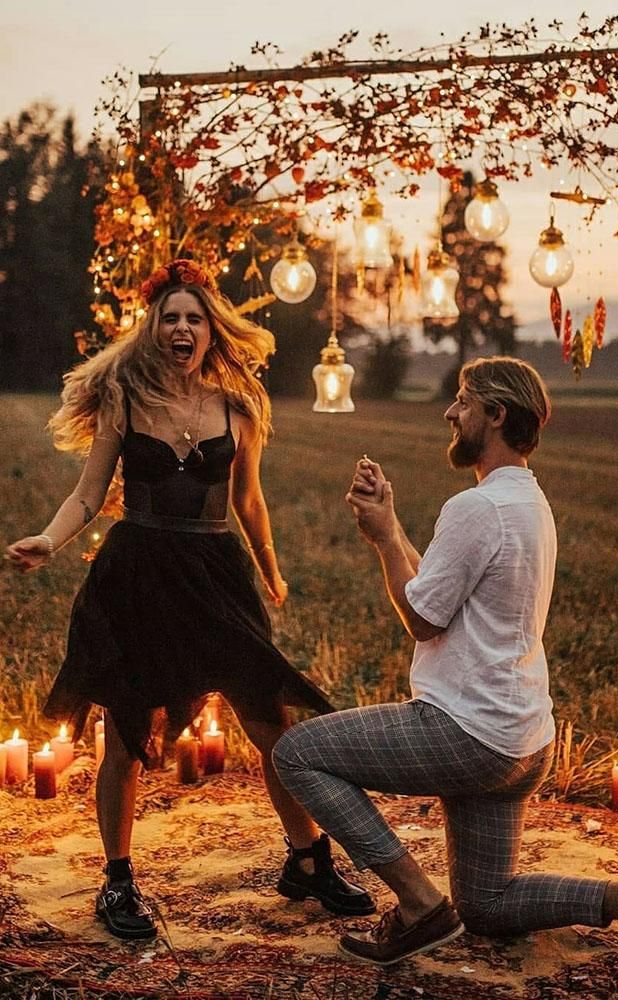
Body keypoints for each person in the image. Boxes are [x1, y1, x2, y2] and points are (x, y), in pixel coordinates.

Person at [5, 259, 374, 942]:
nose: (181, 327)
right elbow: (89, 493)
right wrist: (50, 542)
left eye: (193, 318)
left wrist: (269, 569)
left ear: (210, 330)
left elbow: (249, 501)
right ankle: (117, 880)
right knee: (128, 733)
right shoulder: (124, 396)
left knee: (270, 725)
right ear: (154, 329)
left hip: (215, 572)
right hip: (138, 571)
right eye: (169, 317)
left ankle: (307, 858)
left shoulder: (239, 406)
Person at [273, 356, 618, 966]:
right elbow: (436, 587)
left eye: (462, 401)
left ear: (496, 414)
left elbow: (422, 617)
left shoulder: (476, 509)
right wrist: (392, 523)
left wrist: (381, 540)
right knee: (486, 903)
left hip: (465, 732)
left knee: (298, 755)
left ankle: (419, 904)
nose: (450, 413)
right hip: (523, 739)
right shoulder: (528, 502)